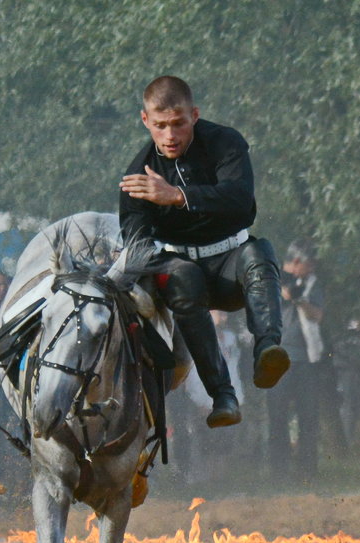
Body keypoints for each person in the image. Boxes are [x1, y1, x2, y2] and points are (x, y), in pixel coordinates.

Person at [119, 75, 288, 428]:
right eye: (161, 126)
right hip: (182, 279)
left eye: (178, 124)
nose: (170, 136)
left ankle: (268, 349)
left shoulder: (226, 143)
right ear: (145, 120)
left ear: (194, 115)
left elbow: (242, 201)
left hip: (231, 265)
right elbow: (135, 244)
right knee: (183, 276)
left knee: (259, 251)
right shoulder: (137, 176)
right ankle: (222, 395)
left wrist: (179, 196)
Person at [266, 240, 324, 483]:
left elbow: (319, 315)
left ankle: (307, 471)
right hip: (276, 358)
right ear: (297, 262)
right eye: (308, 264)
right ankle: (278, 472)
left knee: (308, 415)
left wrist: (299, 300)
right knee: (277, 416)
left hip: (306, 359)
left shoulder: (311, 284)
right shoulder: (271, 277)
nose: (311, 269)